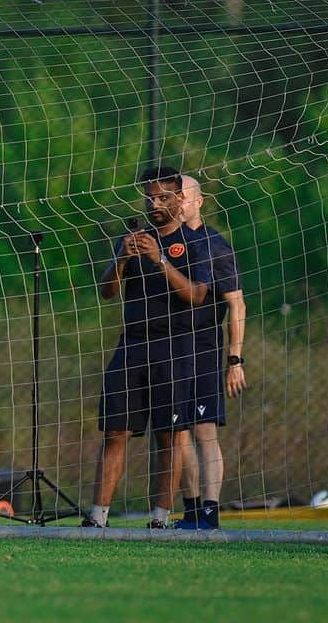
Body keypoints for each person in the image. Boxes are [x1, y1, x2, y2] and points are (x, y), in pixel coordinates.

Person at [84, 166, 211, 529]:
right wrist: (122, 259)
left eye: (163, 197)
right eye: (150, 197)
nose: (154, 203)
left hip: (175, 348)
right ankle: (98, 517)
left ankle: (159, 519)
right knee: (114, 432)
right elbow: (107, 291)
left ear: (179, 199)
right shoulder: (132, 240)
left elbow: (197, 295)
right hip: (132, 347)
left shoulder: (197, 243)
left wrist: (160, 260)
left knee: (169, 435)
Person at [174, 175, 247, 530]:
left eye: (184, 197)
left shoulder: (216, 246)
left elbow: (236, 304)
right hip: (167, 347)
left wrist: (235, 359)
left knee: (205, 430)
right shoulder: (162, 241)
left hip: (204, 346)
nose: (179, 203)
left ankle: (210, 511)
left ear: (199, 201)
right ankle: (189, 511)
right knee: (177, 431)